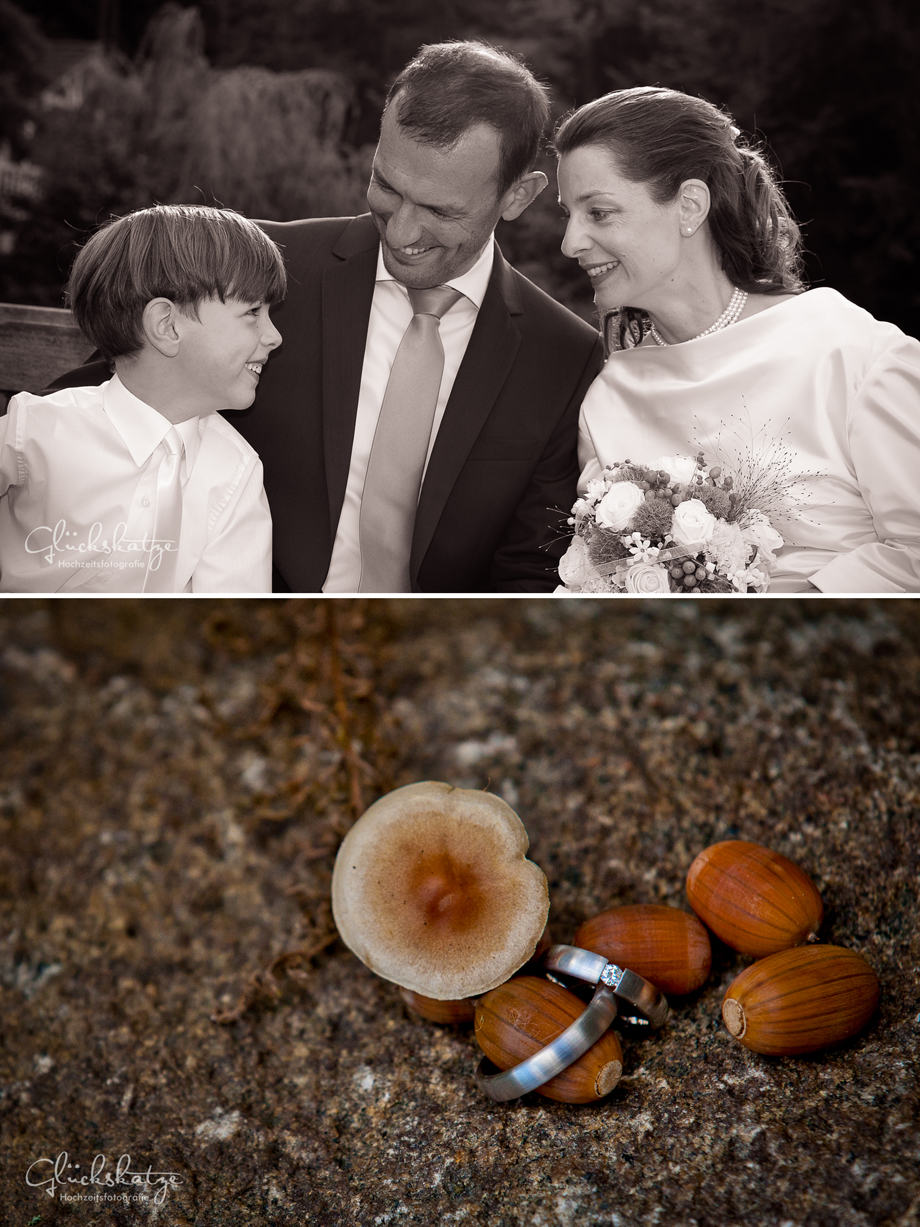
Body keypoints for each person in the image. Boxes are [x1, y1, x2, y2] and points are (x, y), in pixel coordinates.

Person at [49, 40, 604, 593]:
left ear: (518, 197)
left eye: (440, 210)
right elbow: (99, 404)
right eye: (387, 186)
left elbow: (530, 573)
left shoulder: (563, 357)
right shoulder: (253, 273)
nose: (404, 232)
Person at [554, 86, 920, 593]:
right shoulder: (610, 397)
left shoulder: (851, 353)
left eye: (599, 212)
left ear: (688, 206)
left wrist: (784, 618)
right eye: (566, 213)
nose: (571, 242)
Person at [1, 204, 282, 592]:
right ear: (166, 326)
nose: (274, 335)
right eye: (253, 311)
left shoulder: (235, 472)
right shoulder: (33, 432)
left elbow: (231, 610)